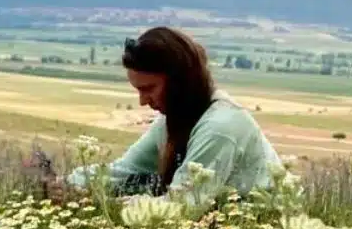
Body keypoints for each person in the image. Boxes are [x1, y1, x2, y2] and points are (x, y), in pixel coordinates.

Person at [65, 26, 282, 202]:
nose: (143, 101)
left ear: (179, 82)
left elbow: (184, 204)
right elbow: (124, 171)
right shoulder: (175, 119)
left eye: (149, 89)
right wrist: (68, 184)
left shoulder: (220, 126)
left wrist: (115, 206)